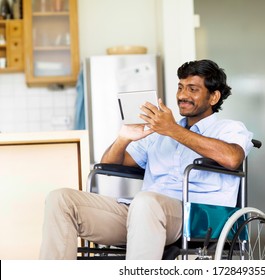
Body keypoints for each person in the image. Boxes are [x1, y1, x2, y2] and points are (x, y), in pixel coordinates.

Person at [39, 59, 253, 260]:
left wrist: (173, 130)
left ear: (213, 97)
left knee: (146, 201)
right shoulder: (158, 132)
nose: (182, 95)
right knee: (61, 199)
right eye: (180, 87)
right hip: (141, 214)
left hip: (196, 216)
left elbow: (232, 158)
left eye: (193, 89)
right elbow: (109, 166)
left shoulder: (228, 128)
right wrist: (123, 138)